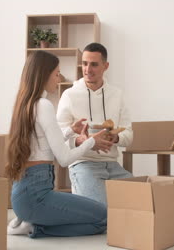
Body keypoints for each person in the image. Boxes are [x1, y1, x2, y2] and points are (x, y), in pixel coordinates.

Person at [5, 50, 113, 238]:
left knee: (98, 215)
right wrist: (91, 142)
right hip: (36, 197)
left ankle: (28, 223)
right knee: (103, 217)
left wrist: (71, 130)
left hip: (24, 195)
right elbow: (64, 158)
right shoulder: (44, 105)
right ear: (44, 74)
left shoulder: (27, 104)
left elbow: (44, 145)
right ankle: (34, 228)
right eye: (56, 74)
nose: (58, 78)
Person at [57, 43, 133, 205]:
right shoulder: (69, 95)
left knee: (142, 202)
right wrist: (80, 141)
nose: (87, 69)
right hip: (83, 163)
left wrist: (115, 138)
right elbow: (58, 137)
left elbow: (129, 135)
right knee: (100, 212)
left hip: (113, 165)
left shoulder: (117, 94)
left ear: (105, 66)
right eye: (84, 63)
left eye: (94, 64)